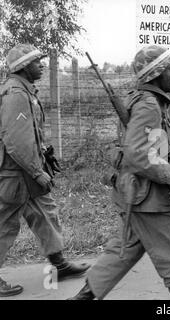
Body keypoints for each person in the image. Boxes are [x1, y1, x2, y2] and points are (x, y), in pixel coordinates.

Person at [69, 45, 170, 300]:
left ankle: (82, 298)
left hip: (135, 193)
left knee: (122, 251)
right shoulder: (149, 104)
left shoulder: (140, 99)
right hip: (151, 199)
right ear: (156, 74)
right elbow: (139, 154)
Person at [0, 44, 90, 297]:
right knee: (4, 224)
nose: (41, 64)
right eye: (36, 61)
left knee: (46, 214)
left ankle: (59, 265)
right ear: (22, 67)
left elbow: (28, 134)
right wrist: (37, 171)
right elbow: (16, 141)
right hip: (15, 173)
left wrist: (42, 154)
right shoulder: (16, 93)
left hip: (27, 170)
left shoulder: (25, 91)